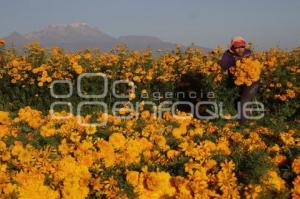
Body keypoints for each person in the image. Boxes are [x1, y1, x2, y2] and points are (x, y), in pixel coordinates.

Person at [220, 36, 260, 122]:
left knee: (244, 101)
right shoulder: (228, 55)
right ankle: (247, 121)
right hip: (236, 82)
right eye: (237, 47)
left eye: (242, 46)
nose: (240, 49)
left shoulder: (249, 53)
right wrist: (235, 59)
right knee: (238, 101)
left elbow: (256, 67)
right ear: (232, 47)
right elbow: (223, 66)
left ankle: (243, 124)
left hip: (252, 82)